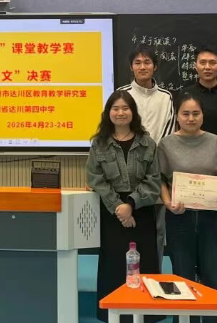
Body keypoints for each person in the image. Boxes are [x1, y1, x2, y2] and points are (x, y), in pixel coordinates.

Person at [87, 90, 162, 323]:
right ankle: (114, 315)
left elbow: (154, 181)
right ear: (108, 113)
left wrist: (131, 204)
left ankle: (147, 316)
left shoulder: (147, 143)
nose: (121, 113)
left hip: (142, 211)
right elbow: (95, 179)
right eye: (115, 108)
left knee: (145, 263)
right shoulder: (99, 144)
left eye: (125, 108)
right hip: (112, 212)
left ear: (133, 112)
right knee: (113, 264)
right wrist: (119, 206)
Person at [158, 93, 217, 323]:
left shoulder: (215, 141)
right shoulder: (166, 144)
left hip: (212, 218)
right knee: (182, 277)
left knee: (214, 276)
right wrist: (168, 203)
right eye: (185, 114)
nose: (191, 118)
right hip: (179, 217)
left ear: (203, 116)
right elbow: (161, 179)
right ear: (177, 116)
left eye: (196, 113)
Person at [178, 47, 217, 294]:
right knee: (191, 226)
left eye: (212, 62)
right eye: (202, 62)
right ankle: (194, 274)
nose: (207, 67)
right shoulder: (185, 94)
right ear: (195, 66)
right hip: (188, 164)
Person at [117, 45, 175, 269]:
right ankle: (127, 277)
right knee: (127, 227)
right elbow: (115, 129)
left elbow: (167, 136)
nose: (143, 67)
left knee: (157, 231)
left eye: (147, 62)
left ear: (155, 66)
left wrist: (151, 165)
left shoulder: (166, 97)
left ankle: (154, 274)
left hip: (156, 173)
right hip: (126, 171)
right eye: (138, 63)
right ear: (131, 67)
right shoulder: (122, 94)